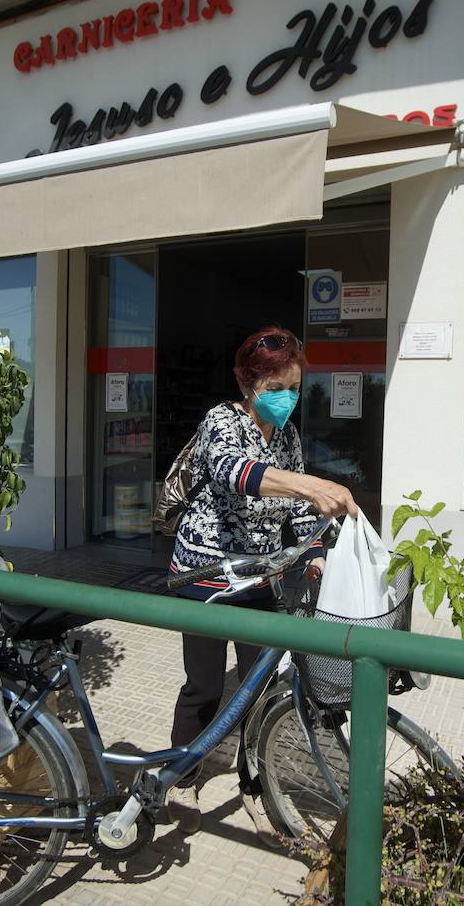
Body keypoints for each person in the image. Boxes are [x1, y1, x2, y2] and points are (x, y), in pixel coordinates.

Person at [165, 326, 358, 846]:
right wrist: (311, 484)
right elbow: (236, 472)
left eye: (294, 388)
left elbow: (297, 509)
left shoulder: (288, 436)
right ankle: (182, 778)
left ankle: (254, 785)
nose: (286, 399)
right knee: (205, 688)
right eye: (276, 389)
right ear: (246, 383)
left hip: (260, 578)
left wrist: (314, 553)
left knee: (259, 690)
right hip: (205, 577)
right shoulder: (220, 421)